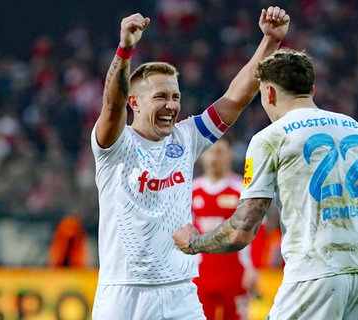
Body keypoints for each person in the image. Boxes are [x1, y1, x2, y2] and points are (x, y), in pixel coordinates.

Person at [90, 7, 290, 320]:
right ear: (135, 102)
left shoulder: (185, 138)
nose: (171, 105)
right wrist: (125, 49)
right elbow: (111, 106)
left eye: (175, 96)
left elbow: (236, 98)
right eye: (160, 97)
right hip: (124, 293)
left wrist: (269, 42)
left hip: (180, 292)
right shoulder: (116, 146)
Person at [173, 48, 358, 320]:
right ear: (311, 88)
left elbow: (242, 231)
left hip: (315, 273)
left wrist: (194, 242)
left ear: (269, 93)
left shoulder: (273, 137)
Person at [191, 137, 261, 320]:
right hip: (201, 275)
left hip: (235, 274)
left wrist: (255, 267)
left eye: (219, 152)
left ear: (230, 156)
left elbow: (257, 231)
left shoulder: (242, 190)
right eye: (210, 152)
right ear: (202, 156)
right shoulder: (191, 191)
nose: (214, 157)